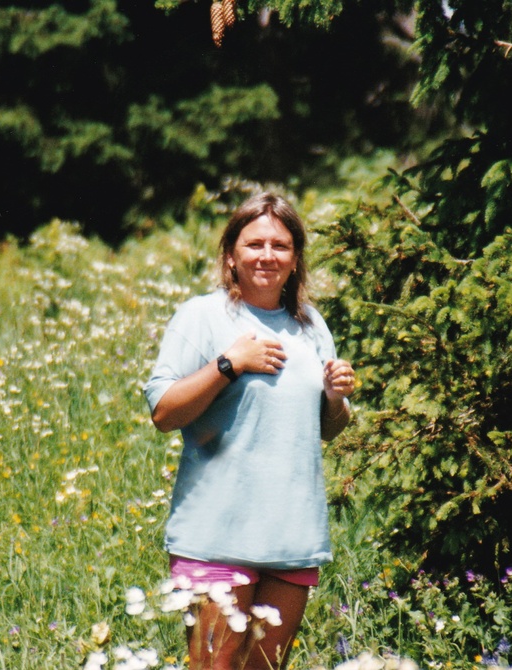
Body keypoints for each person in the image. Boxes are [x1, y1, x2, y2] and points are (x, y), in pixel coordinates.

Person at [144, 191, 356, 670]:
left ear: (296, 258)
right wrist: (228, 365)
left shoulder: (310, 325)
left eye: (280, 246)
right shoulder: (202, 316)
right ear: (230, 255)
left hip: (292, 539)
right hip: (216, 535)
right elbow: (162, 412)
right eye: (254, 244)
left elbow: (329, 430)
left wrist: (334, 395)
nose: (267, 255)